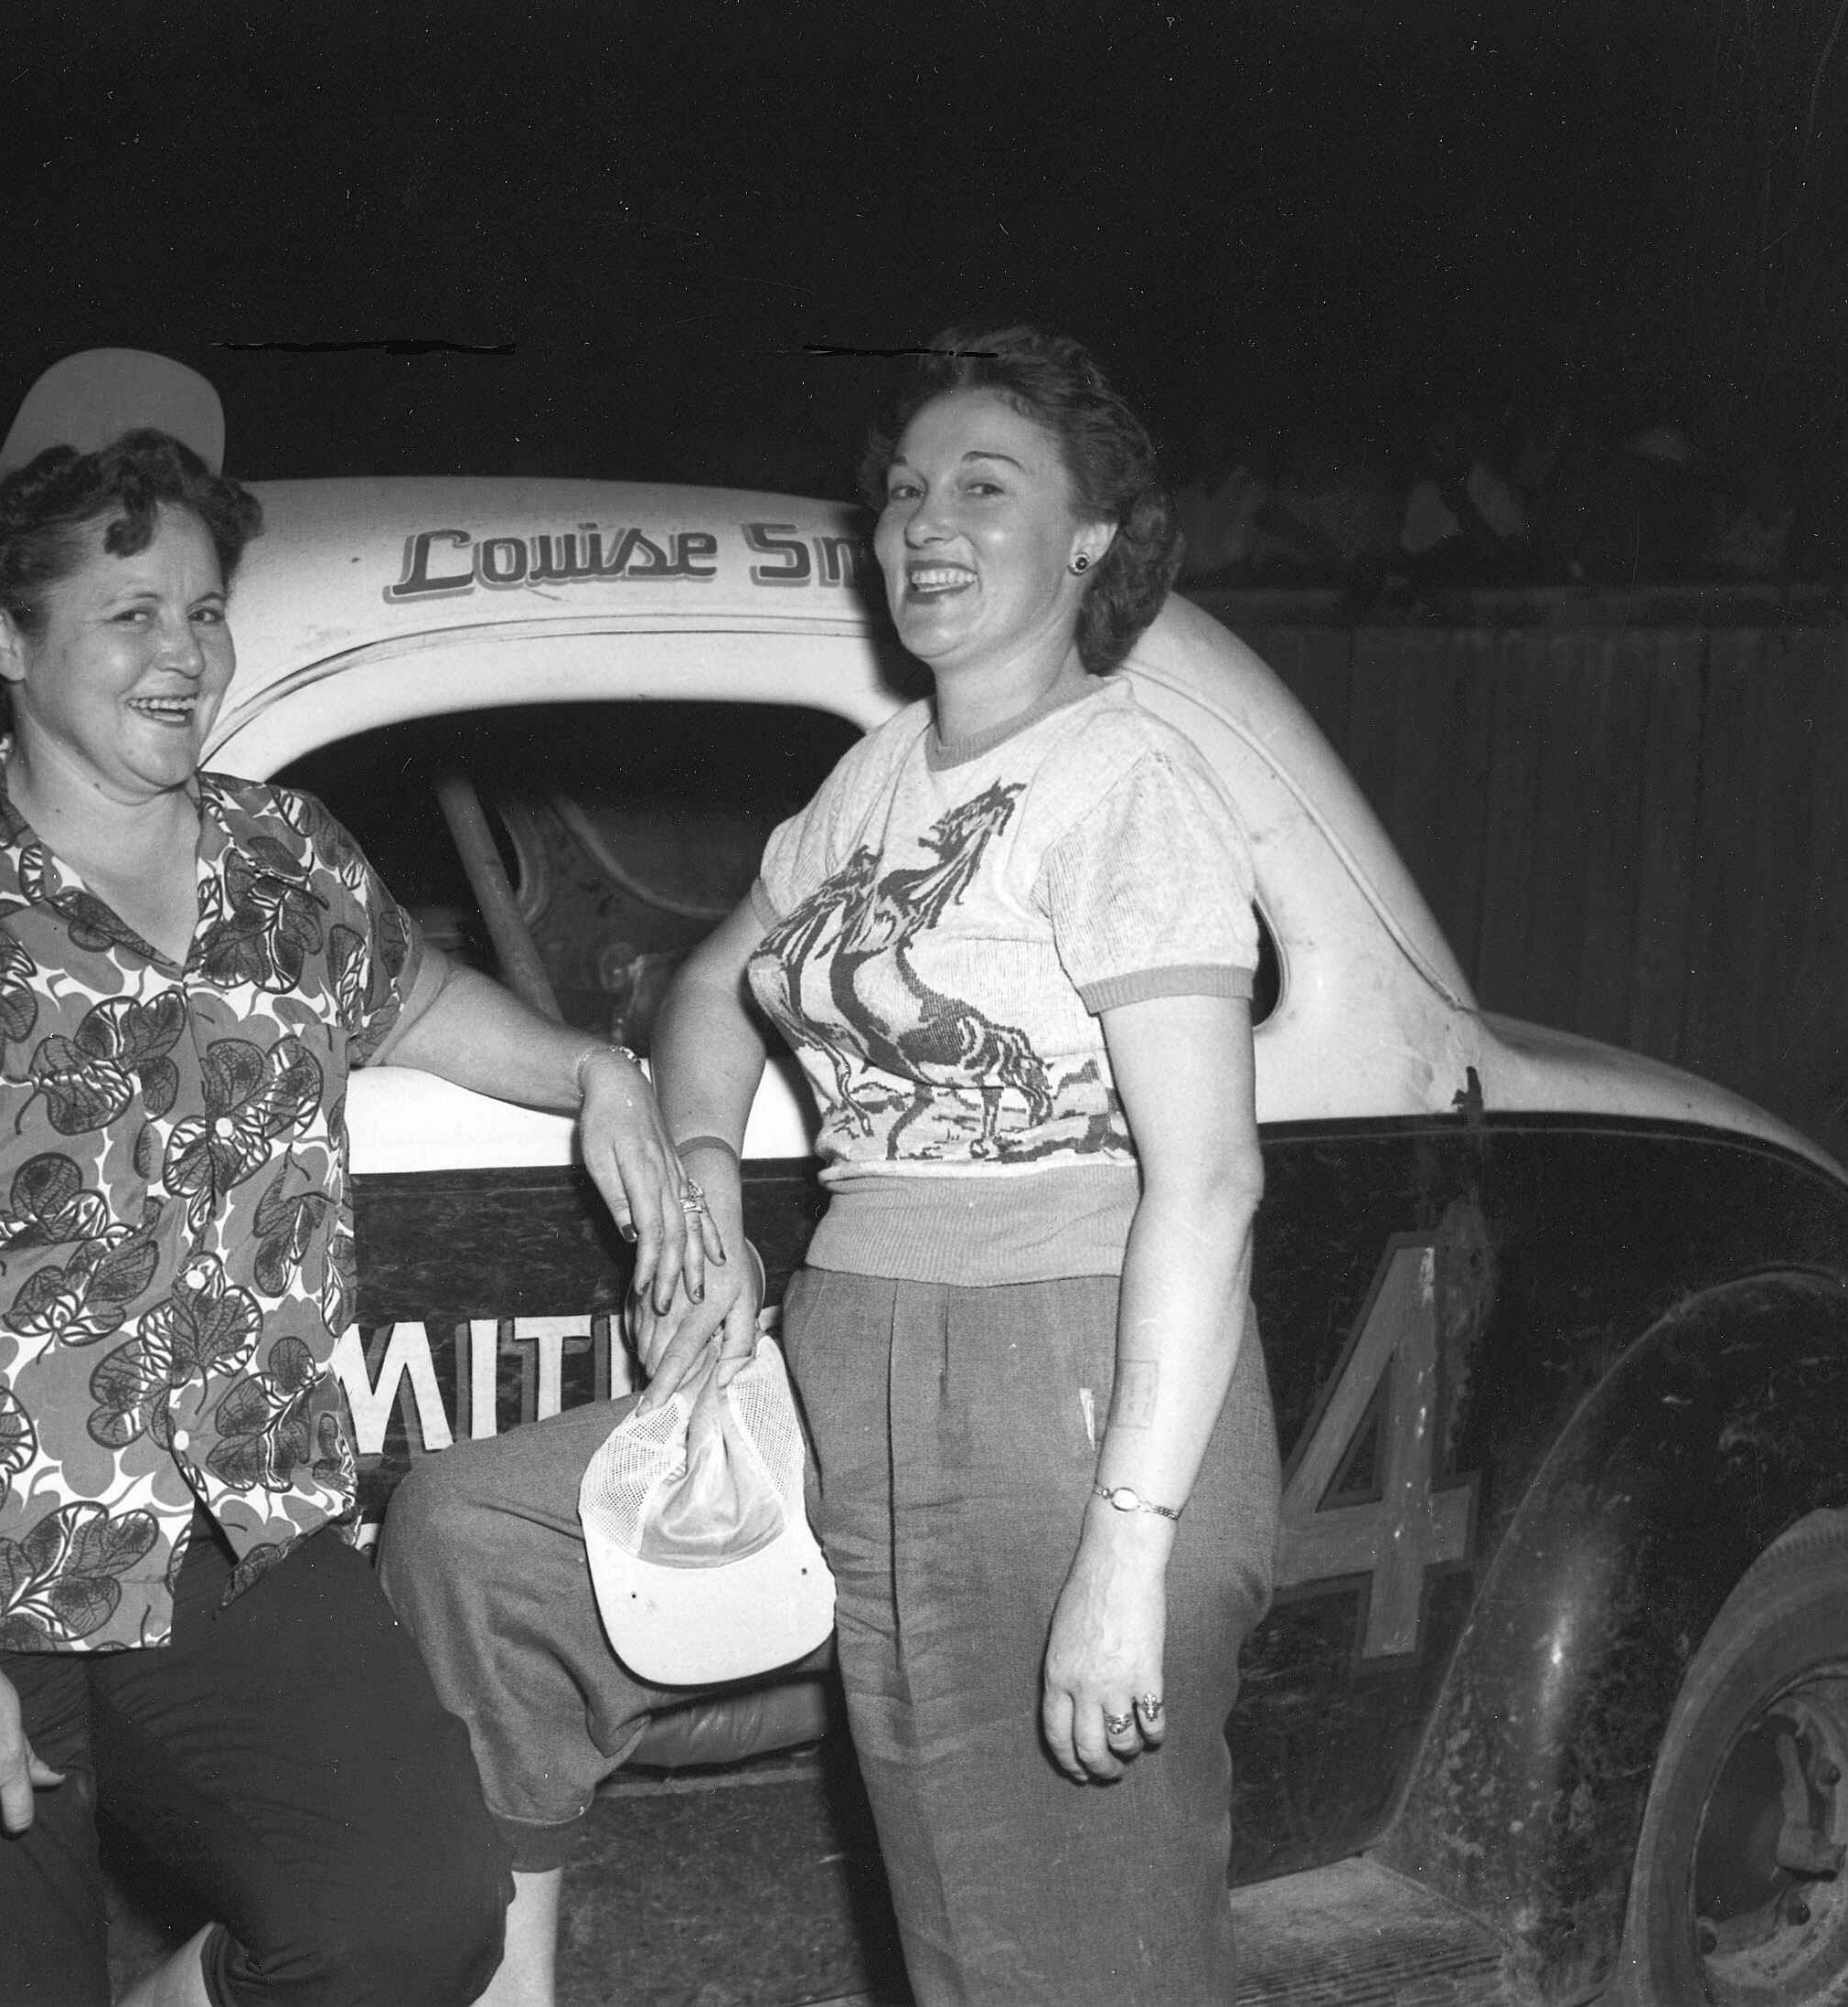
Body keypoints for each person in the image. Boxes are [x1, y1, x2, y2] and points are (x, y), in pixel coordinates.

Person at [0, 415, 711, 2007]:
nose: (184, 654)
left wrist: (597, 1071)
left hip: (217, 1533)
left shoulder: (283, 858)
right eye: (128, 614)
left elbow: (411, 989)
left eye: (205, 610)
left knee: (416, 1915)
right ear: (1, 641)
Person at [382, 326, 1278, 2006]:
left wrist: (1125, 1550)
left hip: (1063, 1384)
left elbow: (1211, 1181)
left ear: (1090, 538)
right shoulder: (880, 776)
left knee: (1035, 1960)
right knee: (478, 1546)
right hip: (847, 1357)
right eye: (906, 488)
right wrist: (706, 1170)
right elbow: (719, 985)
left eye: (985, 487)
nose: (923, 520)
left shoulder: (1126, 782)